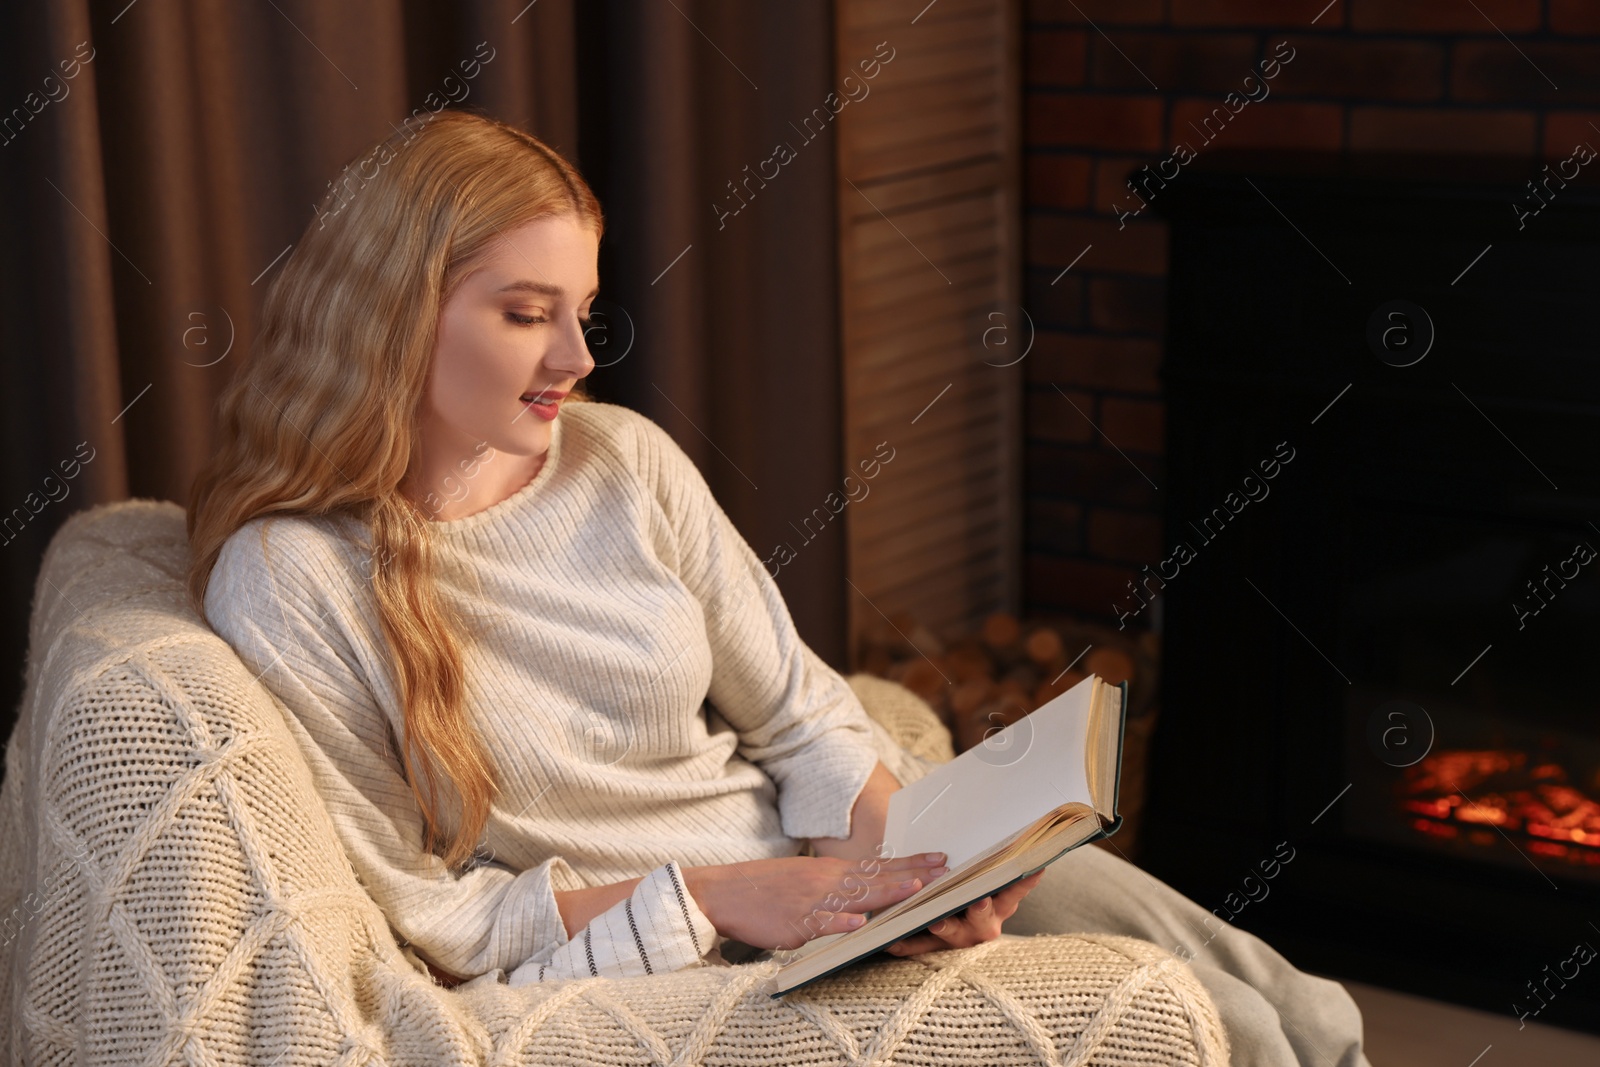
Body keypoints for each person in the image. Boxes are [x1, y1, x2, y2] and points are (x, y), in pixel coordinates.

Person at [188, 110, 1369, 1065]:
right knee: (1223, 1032)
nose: (578, 358)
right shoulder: (294, 576)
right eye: (525, 314)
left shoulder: (623, 460)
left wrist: (912, 861)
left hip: (832, 866)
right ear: (391, 316)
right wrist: (728, 897)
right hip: (723, 938)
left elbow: (797, 713)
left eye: (583, 312)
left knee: (1290, 1005)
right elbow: (437, 916)